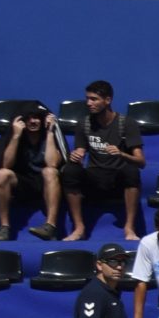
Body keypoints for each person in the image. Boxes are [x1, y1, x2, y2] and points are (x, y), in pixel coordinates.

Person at [62, 80, 144, 239]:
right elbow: (80, 150)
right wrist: (75, 156)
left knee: (131, 171)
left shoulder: (126, 123)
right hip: (94, 177)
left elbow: (141, 162)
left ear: (107, 100)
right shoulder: (84, 123)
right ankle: (79, 228)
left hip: (117, 178)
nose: (89, 103)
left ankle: (129, 228)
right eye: (87, 99)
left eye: (94, 99)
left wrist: (121, 154)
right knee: (70, 170)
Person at [0, 101, 65, 241]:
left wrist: (50, 133)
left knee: (50, 172)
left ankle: (50, 226)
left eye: (36, 117)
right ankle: (4, 227)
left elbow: (53, 163)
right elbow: (6, 164)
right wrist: (16, 136)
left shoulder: (49, 136)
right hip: (23, 181)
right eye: (29, 118)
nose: (32, 121)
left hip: (45, 182)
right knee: (2, 174)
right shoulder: (15, 136)